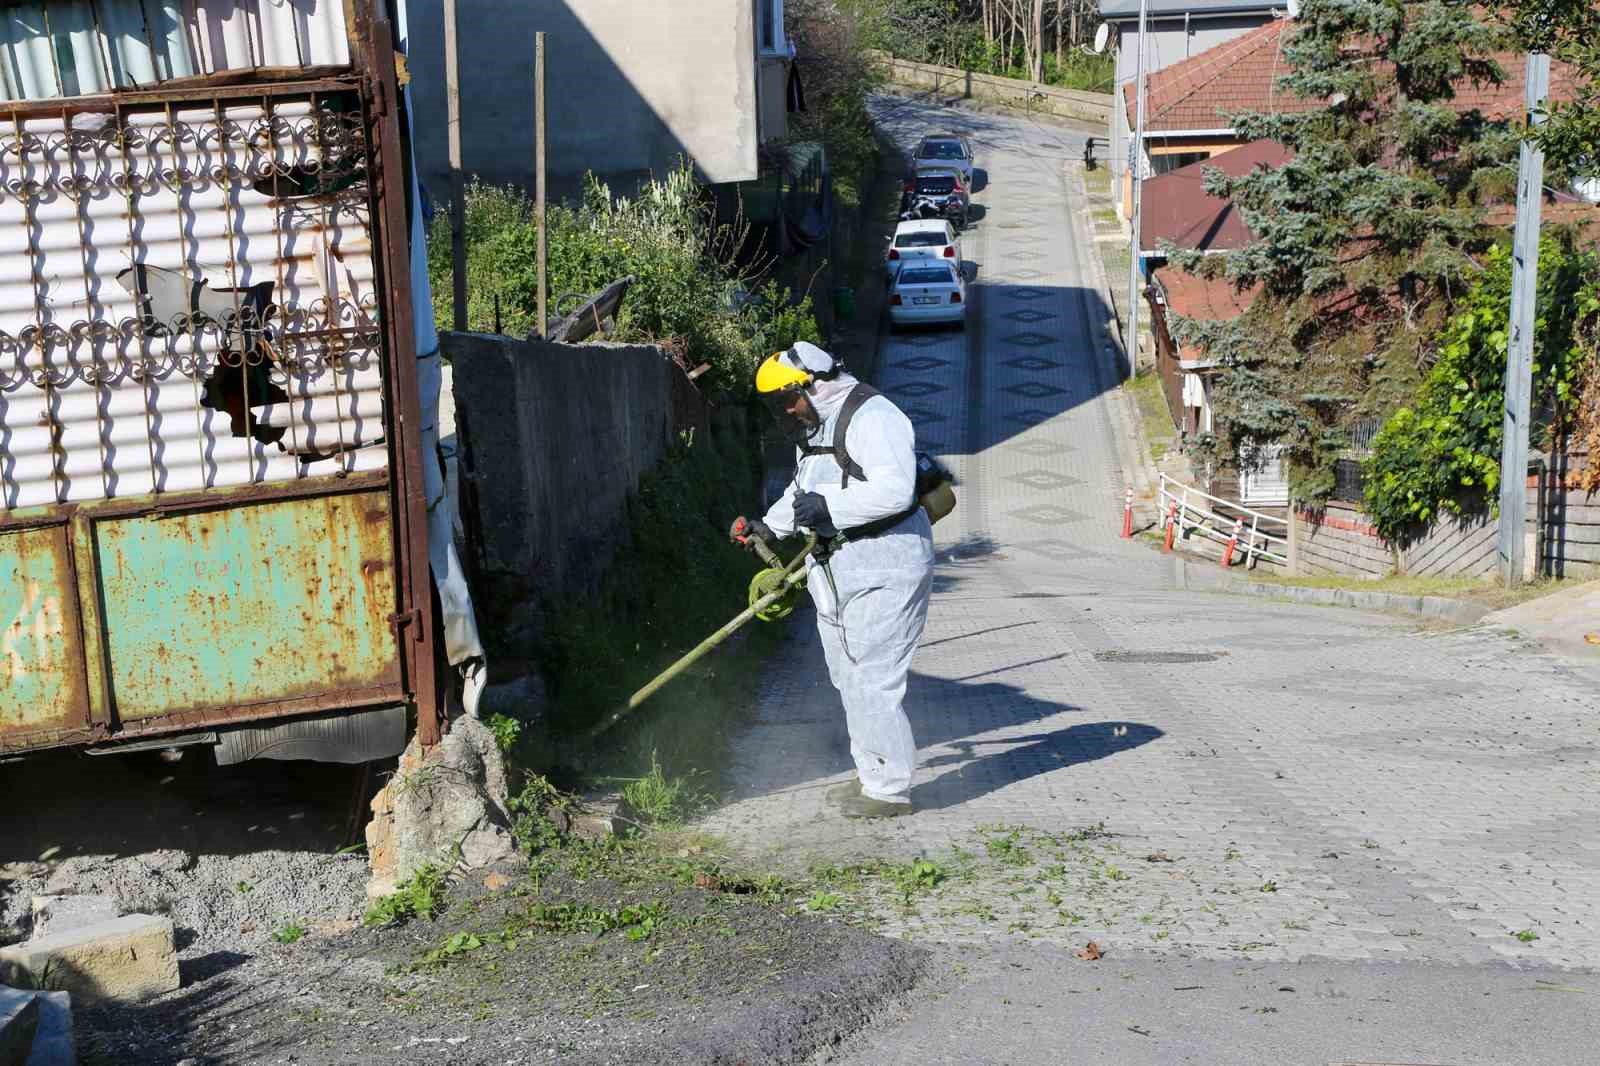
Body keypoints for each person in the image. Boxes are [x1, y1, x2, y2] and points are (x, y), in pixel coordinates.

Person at [730, 341, 935, 818]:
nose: (785, 410)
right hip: (838, 566)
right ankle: (872, 777)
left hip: (888, 563)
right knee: (848, 677)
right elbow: (804, 490)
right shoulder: (815, 426)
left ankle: (889, 790)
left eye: (788, 398)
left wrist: (831, 509)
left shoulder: (874, 417)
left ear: (816, 384)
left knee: (873, 679)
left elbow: (895, 488)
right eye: (776, 403)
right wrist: (770, 525)